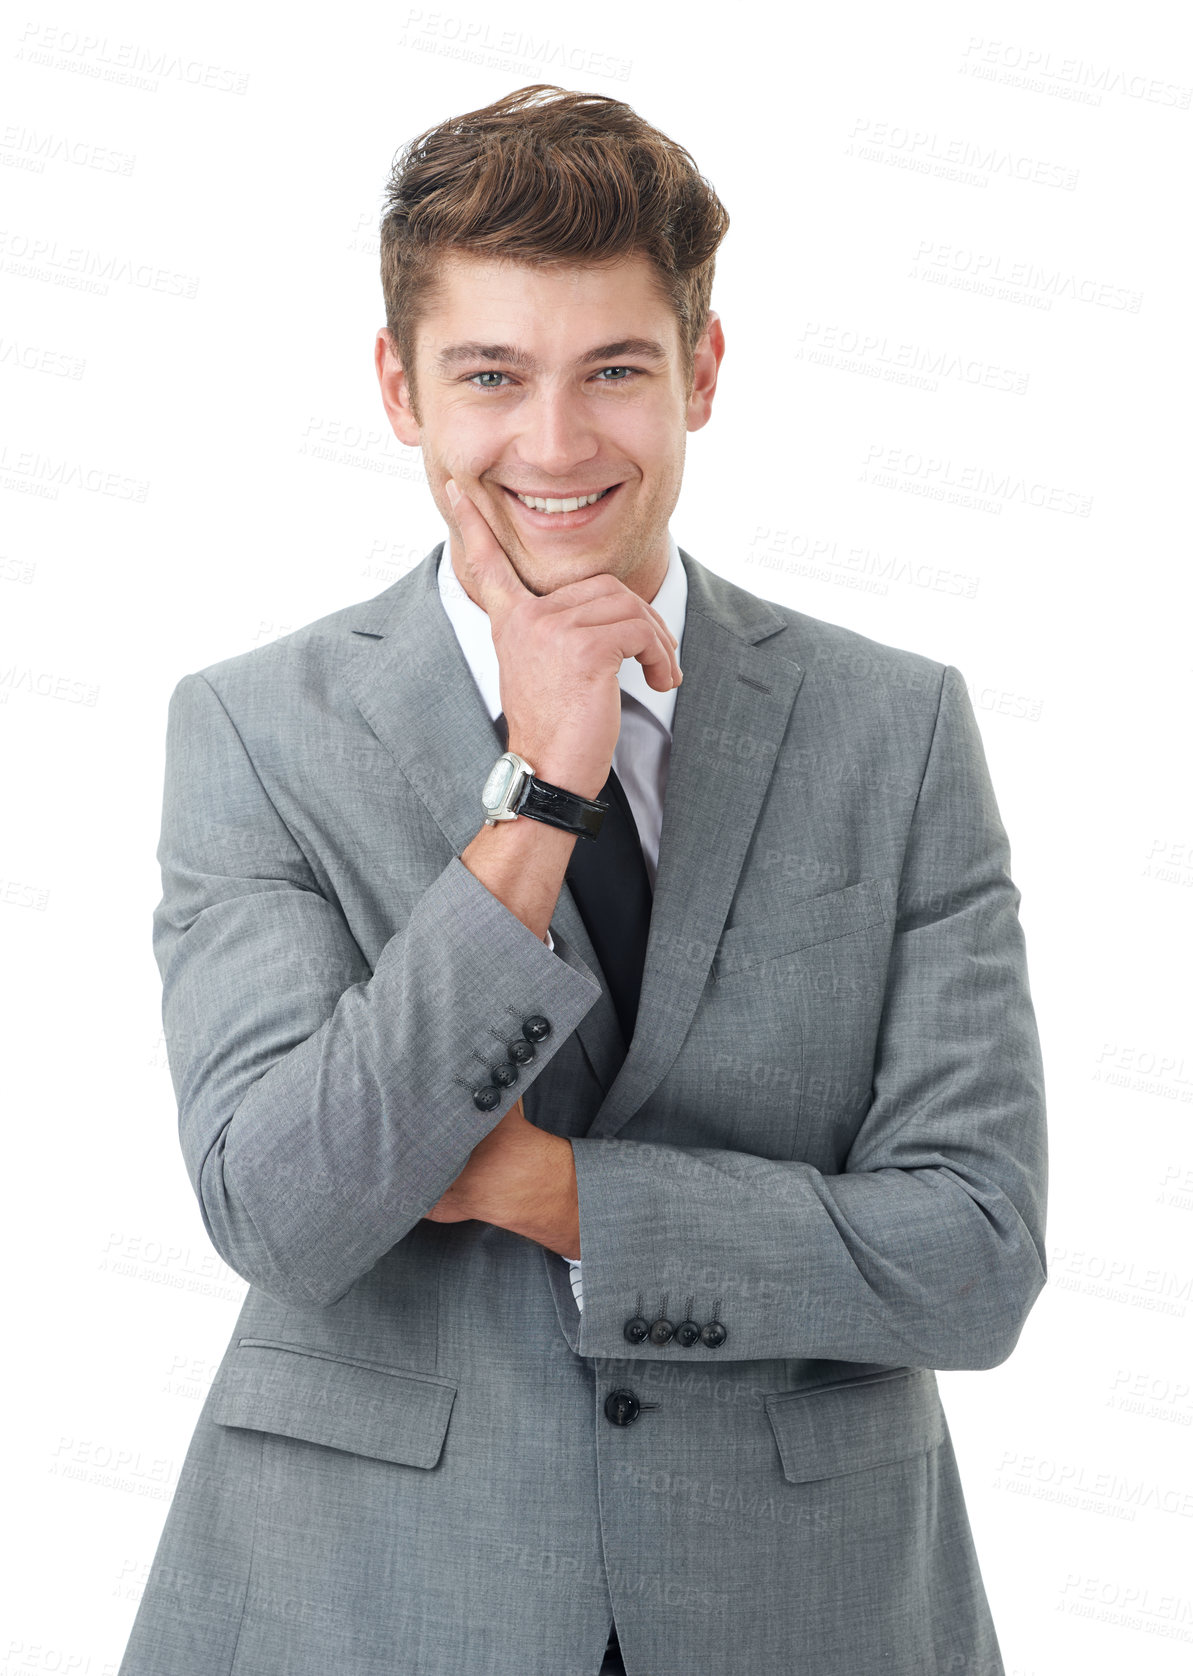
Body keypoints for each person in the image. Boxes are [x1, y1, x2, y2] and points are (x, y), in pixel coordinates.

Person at [117, 83, 1048, 1676]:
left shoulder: (892, 729)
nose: (551, 445)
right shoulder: (257, 731)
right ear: (401, 391)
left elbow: (971, 1257)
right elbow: (281, 1207)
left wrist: (555, 1196)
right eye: (490, 375)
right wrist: (542, 792)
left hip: (803, 1608)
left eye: (613, 371)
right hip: (360, 1603)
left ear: (700, 372)